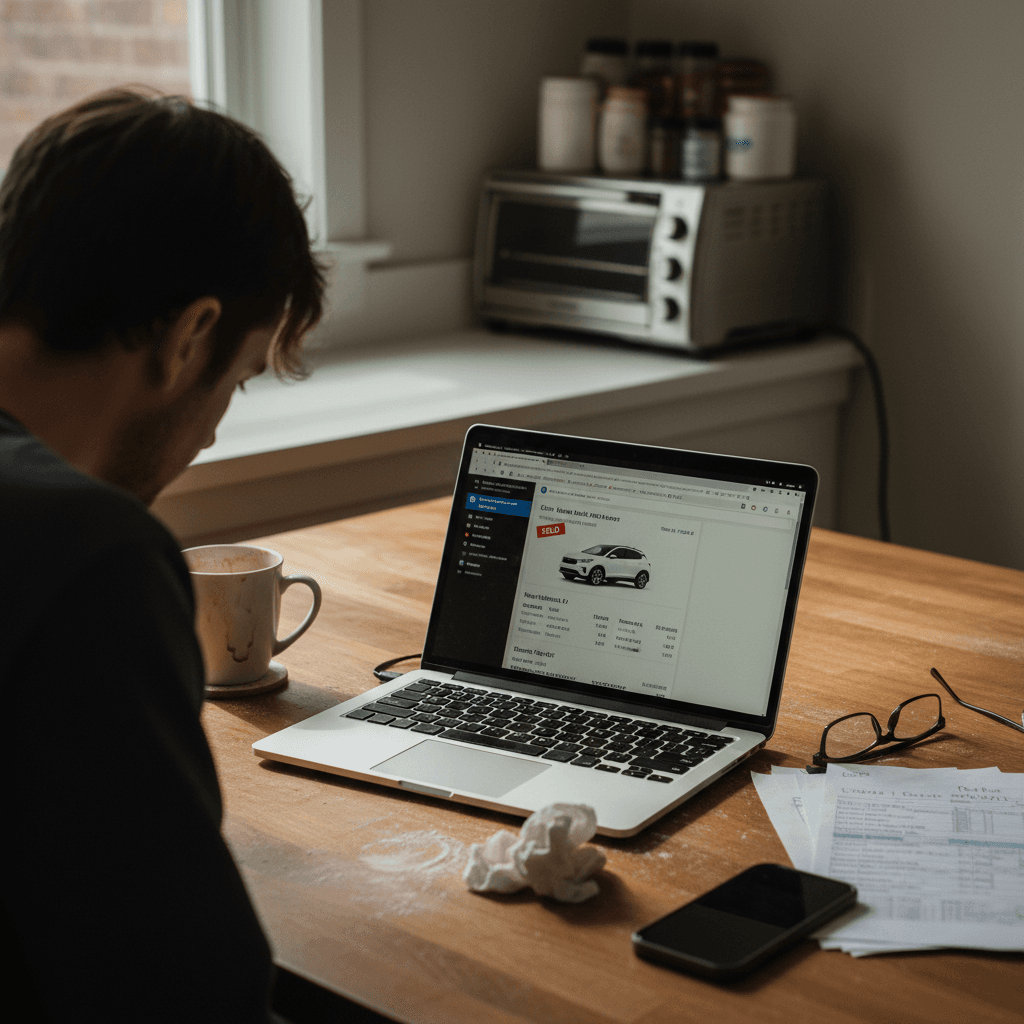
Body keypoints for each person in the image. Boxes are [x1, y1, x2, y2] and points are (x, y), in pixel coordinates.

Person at [0, 89, 327, 1022]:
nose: (216, 431)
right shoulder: (85, 555)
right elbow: (186, 997)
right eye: (237, 377)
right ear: (190, 335)